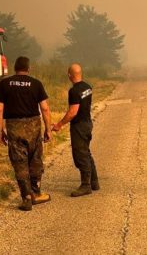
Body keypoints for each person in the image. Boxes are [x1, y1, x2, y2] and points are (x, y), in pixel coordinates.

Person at [0, 56, 53, 211]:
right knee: (35, 159)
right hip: (33, 125)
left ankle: (26, 197)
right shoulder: (36, 84)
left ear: (15, 68)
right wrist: (48, 128)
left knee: (19, 162)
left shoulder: (5, 84)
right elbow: (45, 108)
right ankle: (36, 193)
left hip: (14, 126)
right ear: (29, 68)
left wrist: (0, 130)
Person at [51, 63, 99, 197]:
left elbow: (73, 112)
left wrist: (59, 124)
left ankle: (86, 186)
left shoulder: (74, 91)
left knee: (80, 155)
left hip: (79, 126)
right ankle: (94, 181)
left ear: (69, 75)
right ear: (81, 73)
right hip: (88, 123)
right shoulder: (87, 87)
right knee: (86, 152)